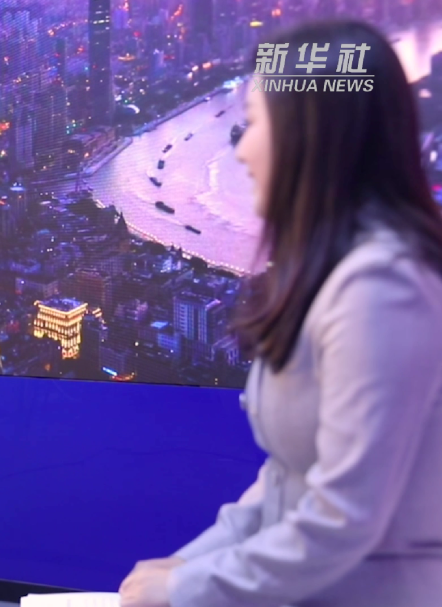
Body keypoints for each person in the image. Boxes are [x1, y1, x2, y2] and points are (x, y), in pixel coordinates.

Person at [119, 19, 442, 607]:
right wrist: (184, 567)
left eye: (256, 122)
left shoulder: (382, 287)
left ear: (309, 138)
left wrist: (187, 587)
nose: (241, 148)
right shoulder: (330, 271)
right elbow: (288, 482)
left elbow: (342, 517)